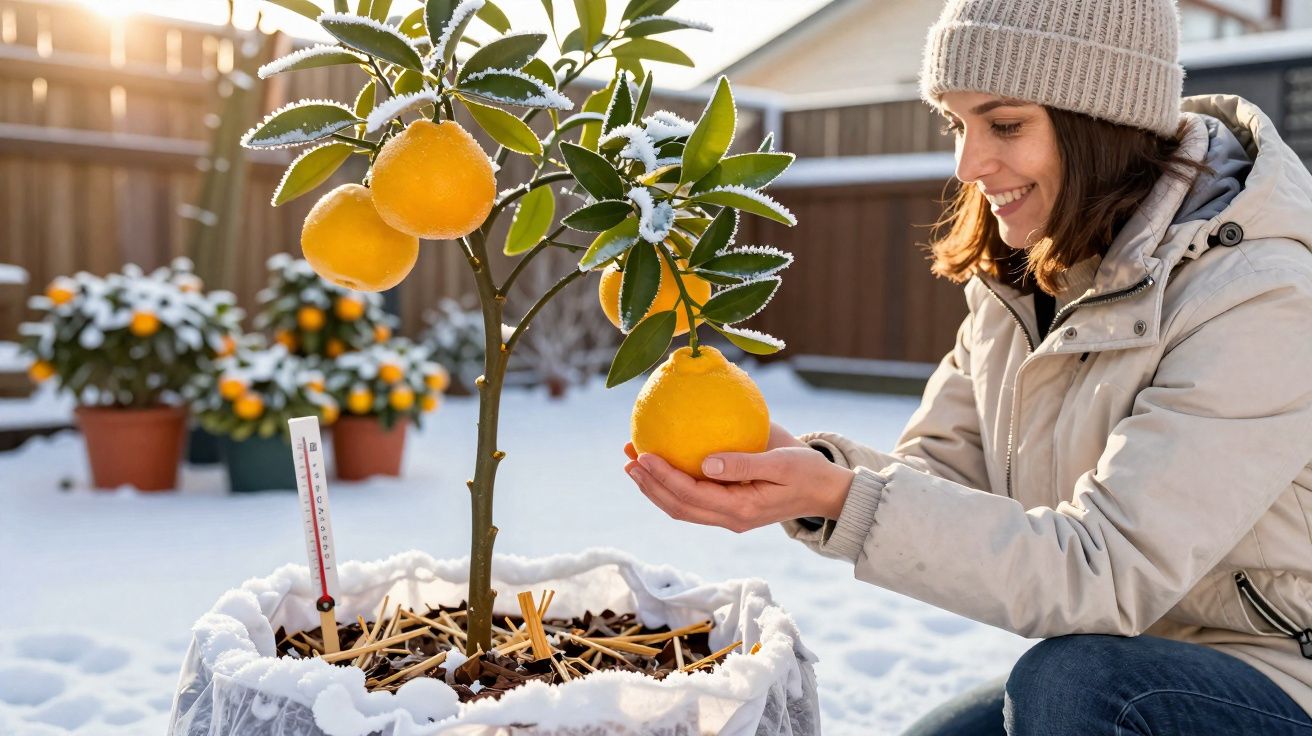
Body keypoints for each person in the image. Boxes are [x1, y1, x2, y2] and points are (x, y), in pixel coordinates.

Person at [623, 0, 1312, 732]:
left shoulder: (1259, 295)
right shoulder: (1024, 279)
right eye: (957, 125)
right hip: (1133, 659)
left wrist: (839, 497)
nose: (967, 164)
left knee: (1071, 686)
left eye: (1004, 124)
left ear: (1105, 120)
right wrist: (808, 475)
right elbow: (938, 478)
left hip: (1276, 679)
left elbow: (1105, 569)